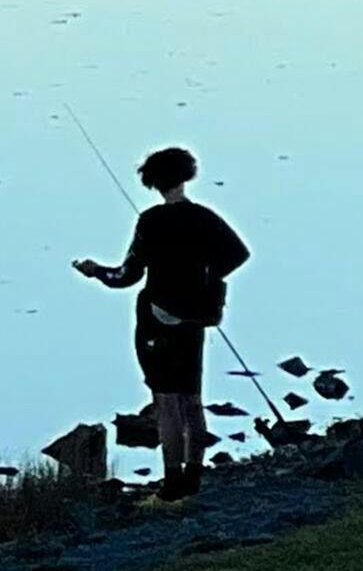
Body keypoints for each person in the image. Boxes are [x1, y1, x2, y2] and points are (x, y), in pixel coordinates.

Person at [73, 146, 249, 500]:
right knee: (193, 399)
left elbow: (126, 276)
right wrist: (206, 282)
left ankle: (172, 483)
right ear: (187, 176)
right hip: (196, 319)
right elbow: (237, 254)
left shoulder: (151, 222)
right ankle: (194, 477)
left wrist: (94, 272)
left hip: (157, 320)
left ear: (152, 182)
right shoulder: (205, 218)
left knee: (167, 402)